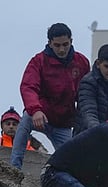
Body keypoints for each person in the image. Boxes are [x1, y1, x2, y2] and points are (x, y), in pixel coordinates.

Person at [11, 23, 90, 169]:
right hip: (40, 115)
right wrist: (35, 110)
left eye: (65, 44)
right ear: (49, 43)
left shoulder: (82, 63)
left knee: (71, 161)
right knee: (25, 120)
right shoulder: (38, 61)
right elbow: (28, 86)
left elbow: (85, 94)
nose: (61, 49)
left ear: (71, 41)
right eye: (57, 45)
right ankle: (14, 167)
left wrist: (82, 120)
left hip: (63, 122)